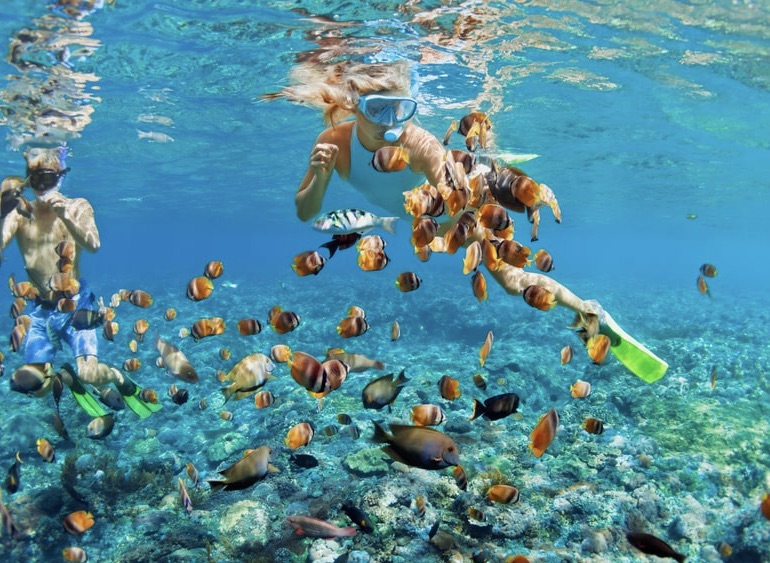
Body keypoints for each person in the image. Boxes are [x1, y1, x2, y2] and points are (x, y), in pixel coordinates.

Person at [277, 60, 667, 382]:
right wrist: (322, 177)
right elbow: (305, 212)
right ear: (354, 106)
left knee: (514, 283)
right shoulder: (334, 144)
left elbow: (456, 198)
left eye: (401, 108)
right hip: (426, 223)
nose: (391, 121)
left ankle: (589, 310)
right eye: (378, 108)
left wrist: (455, 233)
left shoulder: (417, 142)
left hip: (455, 211)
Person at [0, 146, 129, 411]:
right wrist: (0, 212)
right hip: (40, 307)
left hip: (76, 305)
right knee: (37, 388)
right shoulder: (19, 214)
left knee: (88, 373)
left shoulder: (78, 206)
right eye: (34, 179)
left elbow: (94, 244)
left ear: (61, 176)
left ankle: (115, 379)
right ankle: (66, 377)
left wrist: (65, 214)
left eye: (47, 178)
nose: (41, 186)